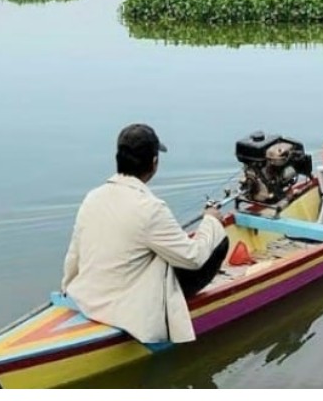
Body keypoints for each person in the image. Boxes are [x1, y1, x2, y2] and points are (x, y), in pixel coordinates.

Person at [60, 124, 229, 345]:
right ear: (154, 163)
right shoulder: (151, 208)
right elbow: (193, 258)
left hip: (86, 298)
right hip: (123, 311)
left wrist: (67, 288)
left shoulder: (92, 197)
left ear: (118, 158)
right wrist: (211, 220)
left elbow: (74, 254)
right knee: (219, 240)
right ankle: (178, 311)